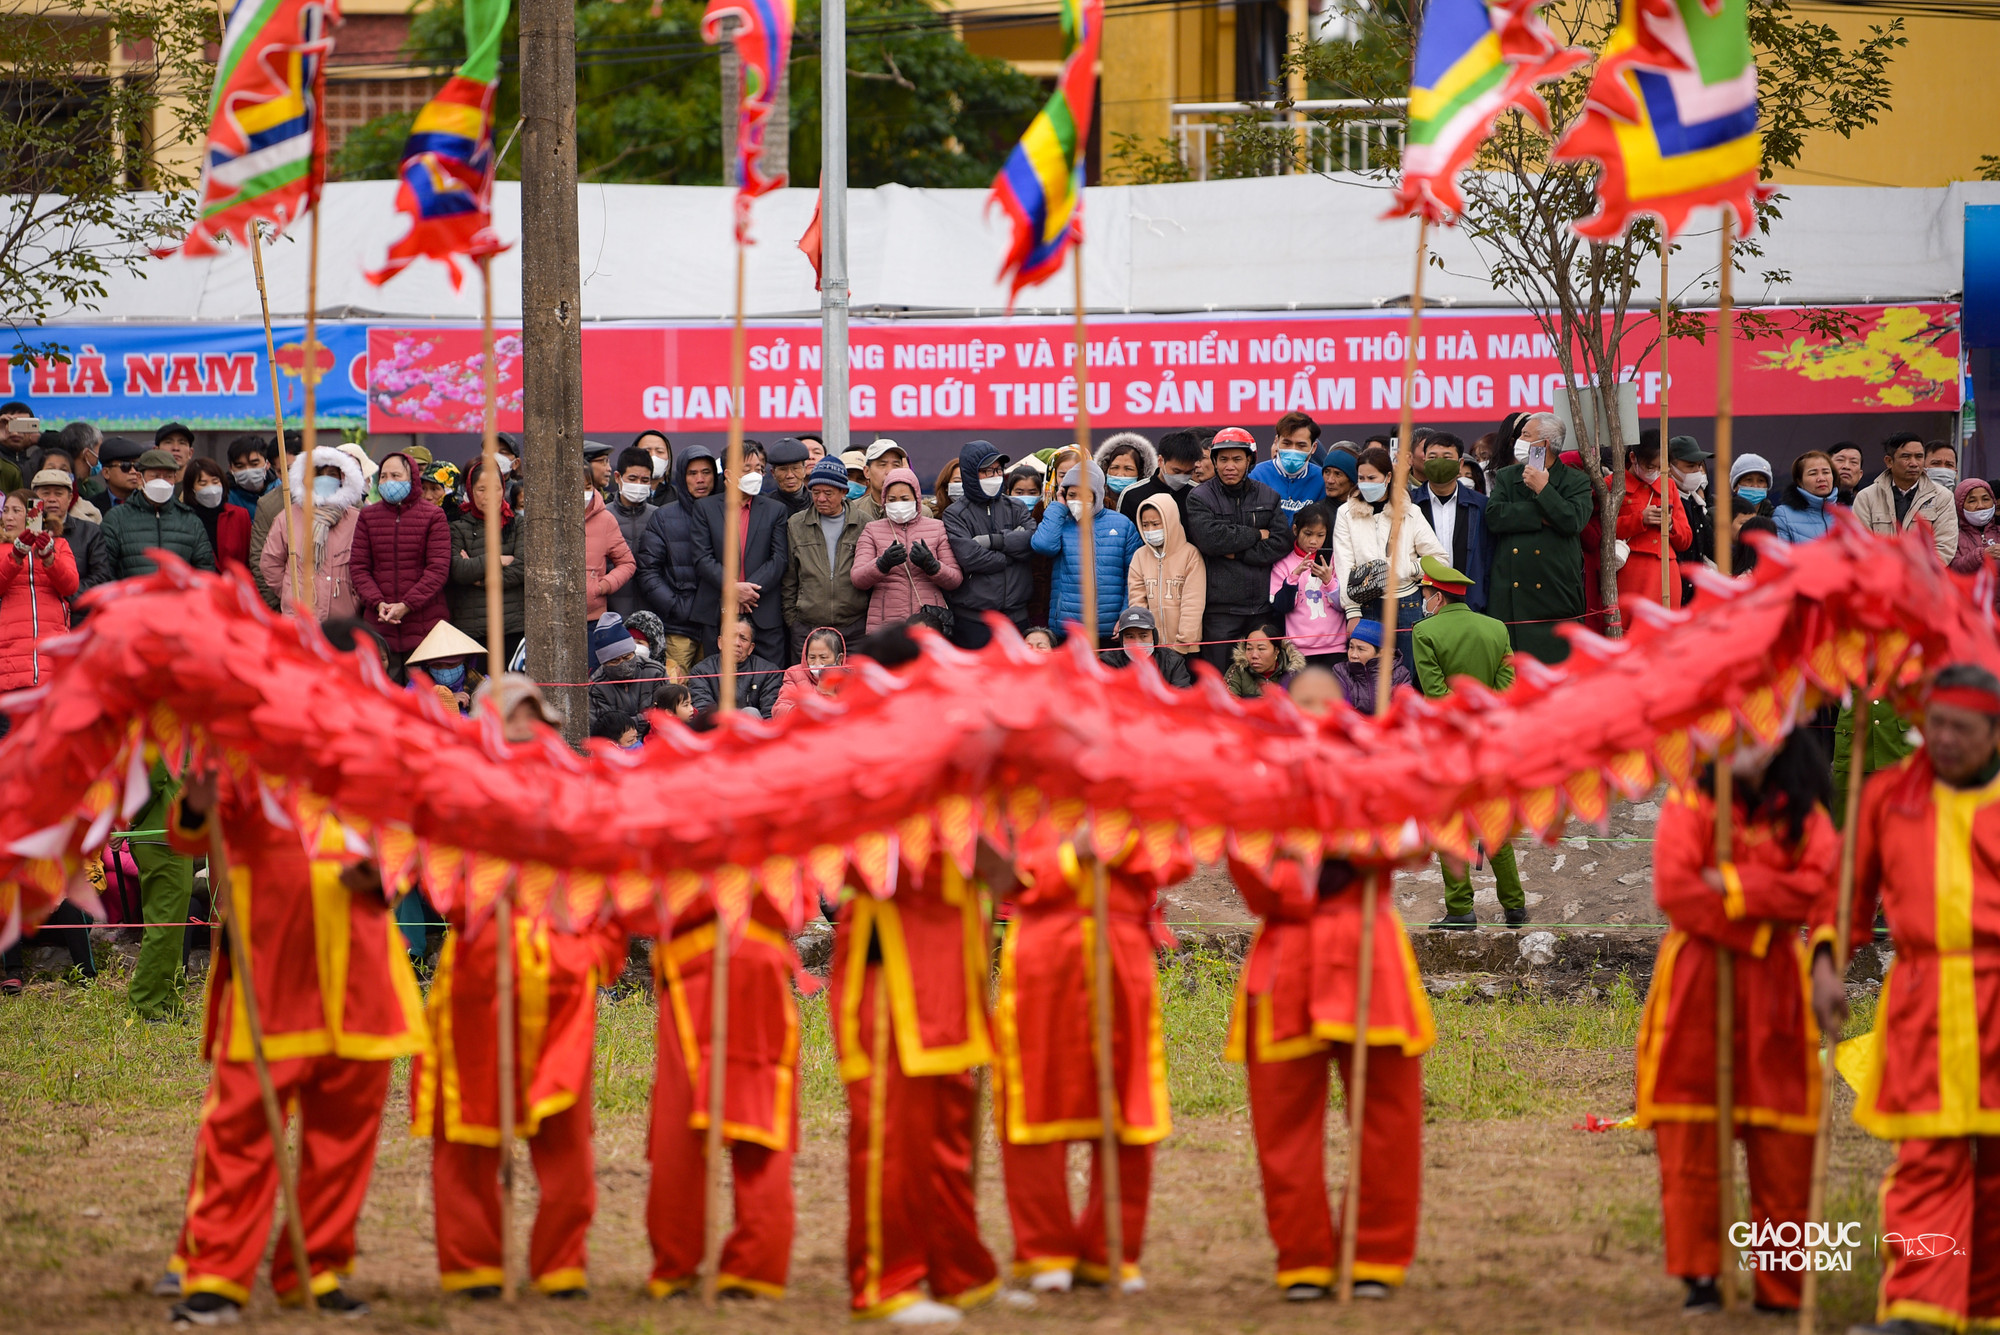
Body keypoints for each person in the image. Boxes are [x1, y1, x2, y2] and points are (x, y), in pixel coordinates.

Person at [161, 763, 427, 1324]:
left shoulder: (375, 760)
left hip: (361, 984)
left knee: (342, 1144)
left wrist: (381, 877)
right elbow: (186, 834)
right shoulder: (240, 759)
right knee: (240, 1130)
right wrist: (197, 803)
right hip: (271, 984)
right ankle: (215, 1275)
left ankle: (315, 1267)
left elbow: (406, 848)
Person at [1819, 665, 2000, 1335]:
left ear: (1993, 734)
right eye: (1937, 723)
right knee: (1928, 1159)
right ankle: (1921, 1309)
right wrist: (1826, 962)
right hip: (1924, 998)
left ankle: (1985, 1302)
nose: (1944, 739)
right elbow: (1847, 891)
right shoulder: (1889, 795)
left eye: (1962, 728)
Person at [1642, 729, 1837, 1316]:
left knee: (1782, 1136)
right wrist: (1769, 903)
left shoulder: (1806, 811)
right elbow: (1675, 889)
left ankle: (1781, 1285)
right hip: (1696, 981)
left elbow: (1819, 890)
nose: (1747, 742)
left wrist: (1726, 884)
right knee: (1691, 1128)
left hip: (1777, 986)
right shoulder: (1688, 800)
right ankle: (1701, 1272)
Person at [414, 853, 625, 1299]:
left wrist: (587, 951)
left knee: (564, 1131)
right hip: (479, 981)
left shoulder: (590, 817)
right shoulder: (465, 812)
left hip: (560, 988)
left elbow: (614, 911)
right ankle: (474, 1264)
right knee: (468, 1122)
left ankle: (561, 1265)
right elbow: (438, 889)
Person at [1224, 854, 1432, 1302]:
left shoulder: (1380, 790)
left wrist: (1372, 843)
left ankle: (1376, 1253)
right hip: (1287, 963)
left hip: (1370, 954)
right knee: (1283, 1120)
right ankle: (1303, 1257)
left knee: (1388, 1117)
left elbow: (1420, 847)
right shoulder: (1259, 800)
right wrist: (1299, 861)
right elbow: (1255, 888)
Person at [996, 832, 1184, 1296]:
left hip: (1122, 949)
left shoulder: (1142, 788)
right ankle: (1044, 1250)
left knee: (1129, 1096)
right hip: (1044, 950)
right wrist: (1068, 855)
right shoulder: (1019, 790)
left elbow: (1175, 859)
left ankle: (1112, 1248)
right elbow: (1001, 871)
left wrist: (1118, 843)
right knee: (1036, 1095)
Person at [829, 843, 1002, 1322]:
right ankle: (886, 1280)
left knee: (950, 1127)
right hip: (892, 967)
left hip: (953, 965)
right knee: (894, 1132)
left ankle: (959, 1271)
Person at [641, 874, 802, 1300]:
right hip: (761, 956)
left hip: (694, 962)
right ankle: (757, 1265)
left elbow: (637, 908)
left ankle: (677, 1264)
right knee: (763, 1107)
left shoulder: (663, 820)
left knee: (682, 1117)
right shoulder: (785, 820)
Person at [1408, 557, 1524, 929]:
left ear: (1438, 597)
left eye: (1425, 593)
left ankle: (1460, 908)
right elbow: (1506, 691)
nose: (1423, 599)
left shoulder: (1425, 632)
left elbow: (1437, 694)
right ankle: (1515, 907)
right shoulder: (1496, 628)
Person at [1485, 412, 1593, 665]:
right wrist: (1543, 515)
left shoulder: (1575, 480)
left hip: (1554, 593)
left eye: (1525, 435)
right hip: (1511, 592)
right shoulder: (1508, 476)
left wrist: (1544, 490)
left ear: (1543, 444)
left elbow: (1572, 521)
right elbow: (1494, 517)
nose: (1518, 441)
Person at [1187, 427, 1292, 668]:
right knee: (1220, 683)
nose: (1229, 466)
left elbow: (1280, 542)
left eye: (1237, 459)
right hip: (1220, 612)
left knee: (1263, 684)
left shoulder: (1268, 496)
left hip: (1263, 610)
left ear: (1249, 461)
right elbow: (1210, 540)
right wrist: (1256, 534)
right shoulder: (1199, 497)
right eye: (1223, 459)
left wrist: (1237, 551)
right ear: (1214, 461)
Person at [1332, 446, 1446, 669]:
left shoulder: (1410, 511)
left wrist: (1408, 568)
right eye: (1361, 478)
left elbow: (1440, 558)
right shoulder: (1345, 513)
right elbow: (1345, 564)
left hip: (1407, 603)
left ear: (1388, 477)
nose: (1366, 483)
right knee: (1369, 673)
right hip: (1367, 605)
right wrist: (1352, 611)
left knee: (1407, 671)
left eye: (1372, 477)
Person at [349, 452, 450, 676]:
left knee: (422, 699)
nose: (388, 481)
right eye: (383, 476)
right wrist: (378, 603)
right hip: (380, 627)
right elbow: (359, 567)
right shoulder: (368, 517)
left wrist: (406, 605)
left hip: (424, 627)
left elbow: (438, 568)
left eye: (396, 475)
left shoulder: (434, 516)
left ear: (412, 478)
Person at [691, 442, 789, 663]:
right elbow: (701, 557)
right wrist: (732, 587)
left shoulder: (775, 510)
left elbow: (779, 559)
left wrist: (748, 590)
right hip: (718, 610)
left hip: (763, 609)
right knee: (718, 683)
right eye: (746, 469)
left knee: (769, 681)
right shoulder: (705, 509)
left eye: (758, 469)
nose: (754, 474)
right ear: (728, 474)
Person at [1030, 460, 1140, 645]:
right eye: (1072, 494)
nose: (1077, 500)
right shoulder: (1060, 522)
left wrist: (1125, 614)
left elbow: (1134, 576)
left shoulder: (1122, 525)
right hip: (1067, 629)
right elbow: (1043, 545)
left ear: (1097, 494)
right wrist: (1059, 506)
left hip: (1108, 629)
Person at [938, 441, 1032, 650]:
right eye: (987, 471)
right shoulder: (955, 514)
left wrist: (993, 541)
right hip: (974, 623)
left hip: (1016, 619)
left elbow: (1031, 541)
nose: (994, 476)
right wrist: (1011, 556)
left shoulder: (1016, 506)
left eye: (998, 470)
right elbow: (970, 557)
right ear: (971, 474)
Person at [637, 441, 720, 671]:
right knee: (676, 693)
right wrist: (677, 606)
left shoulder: (727, 513)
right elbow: (647, 571)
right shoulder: (664, 517)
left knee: (712, 695)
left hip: (718, 626)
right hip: (679, 629)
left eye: (706, 472)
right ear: (682, 476)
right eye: (692, 473)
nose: (700, 479)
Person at [259, 447, 368, 622]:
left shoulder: (356, 519)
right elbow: (270, 563)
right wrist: (290, 591)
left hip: (342, 623)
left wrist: (353, 598)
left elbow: (366, 566)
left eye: (331, 473)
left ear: (342, 478)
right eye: (317, 473)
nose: (324, 478)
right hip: (298, 619)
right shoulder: (288, 517)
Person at [854, 467, 964, 634]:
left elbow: (955, 579)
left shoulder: (937, 527)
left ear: (917, 498)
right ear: (884, 500)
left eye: (904, 498)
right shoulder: (871, 530)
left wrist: (932, 566)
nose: (898, 503)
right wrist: (882, 564)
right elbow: (858, 578)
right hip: (886, 627)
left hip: (929, 624)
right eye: (892, 499)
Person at [783, 456, 872, 662]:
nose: (821, 498)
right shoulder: (796, 524)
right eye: (816, 492)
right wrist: (793, 621)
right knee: (809, 687)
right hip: (807, 627)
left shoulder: (864, 524)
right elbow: (789, 578)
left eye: (828, 493)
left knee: (854, 688)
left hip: (854, 626)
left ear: (844, 492)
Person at [0, 488, 79, 697]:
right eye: (5, 510)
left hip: (52, 661)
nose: (8, 516)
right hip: (9, 660)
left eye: (17, 510)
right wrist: (16, 556)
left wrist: (49, 557)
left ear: (34, 514)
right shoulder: (1, 547)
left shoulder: (59, 544)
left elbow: (70, 585)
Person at [445, 458, 525, 664]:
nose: (490, 495)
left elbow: (520, 569)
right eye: (481, 489)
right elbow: (458, 571)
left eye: (496, 488)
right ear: (470, 491)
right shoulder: (458, 527)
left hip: (512, 627)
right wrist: (497, 559)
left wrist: (479, 579)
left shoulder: (518, 524)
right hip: (472, 630)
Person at [100, 447, 215, 579]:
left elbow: (205, 571)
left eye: (168, 476)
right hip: (133, 598)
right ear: (139, 478)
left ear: (175, 479)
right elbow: (105, 570)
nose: (162, 481)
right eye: (155, 476)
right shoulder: (116, 519)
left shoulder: (190, 521)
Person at [1410, 434, 1492, 612]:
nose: (1439, 462)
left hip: (1470, 606)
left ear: (1460, 463)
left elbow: (1487, 558)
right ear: (1424, 461)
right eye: (1432, 457)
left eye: (1447, 457)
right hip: (1420, 605)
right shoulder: (1409, 505)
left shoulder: (1480, 505)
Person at [1614, 432, 1693, 610]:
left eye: (1661, 468)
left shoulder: (1668, 486)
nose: (1655, 473)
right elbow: (1600, 532)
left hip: (1667, 570)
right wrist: (1639, 520)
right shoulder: (1613, 484)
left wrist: (1671, 524)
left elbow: (1686, 539)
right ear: (1633, 458)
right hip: (1631, 570)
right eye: (1650, 467)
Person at [1852, 431, 1957, 564]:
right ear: (1889, 461)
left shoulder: (1942, 496)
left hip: (1921, 580)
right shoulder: (1866, 497)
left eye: (1919, 456)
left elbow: (1944, 548)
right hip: (1879, 579)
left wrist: (1913, 576)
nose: (1914, 463)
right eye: (1906, 457)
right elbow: (1859, 545)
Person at [1126, 496, 1205, 656]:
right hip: (1151, 648)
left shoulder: (1190, 554)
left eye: (1155, 524)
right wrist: (1143, 639)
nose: (1150, 530)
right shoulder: (1140, 556)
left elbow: (1193, 602)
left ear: (1170, 522)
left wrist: (1184, 640)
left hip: (1186, 648)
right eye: (1145, 525)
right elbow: (1137, 600)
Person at [1269, 502, 1344, 667]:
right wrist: (1293, 578)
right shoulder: (1283, 564)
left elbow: (1343, 605)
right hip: (1299, 650)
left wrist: (1329, 581)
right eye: (1308, 533)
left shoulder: (1334, 560)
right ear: (1295, 530)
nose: (1313, 541)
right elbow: (1281, 606)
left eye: (1320, 535)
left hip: (1335, 647)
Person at [32, 467, 110, 600]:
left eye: (58, 494)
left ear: (70, 498)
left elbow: (101, 577)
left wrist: (66, 595)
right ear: (33, 498)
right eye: (45, 493)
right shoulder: (24, 533)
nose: (52, 499)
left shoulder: (90, 531)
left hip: (75, 612)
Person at [687, 620, 786, 718]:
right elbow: (704, 713)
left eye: (743, 639)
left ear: (751, 648)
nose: (737, 643)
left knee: (750, 712)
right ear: (720, 642)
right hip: (717, 731)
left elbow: (770, 716)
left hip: (756, 731)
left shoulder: (768, 672)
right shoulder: (701, 672)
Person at [588, 610, 667, 728]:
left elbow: (664, 715)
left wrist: (627, 723)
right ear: (604, 663)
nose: (623, 664)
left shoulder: (655, 671)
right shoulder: (596, 686)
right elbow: (605, 727)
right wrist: (644, 718)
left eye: (627, 657)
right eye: (615, 661)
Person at [605, 448, 658, 622]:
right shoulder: (603, 517)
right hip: (611, 617)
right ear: (618, 477)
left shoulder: (659, 517)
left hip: (652, 617)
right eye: (632, 479)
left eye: (645, 480)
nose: (638, 485)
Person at [583, 474, 637, 627]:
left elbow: (627, 563)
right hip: (554, 615)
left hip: (593, 619)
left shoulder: (605, 519)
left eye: (587, 487)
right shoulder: (549, 520)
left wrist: (602, 586)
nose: (584, 493)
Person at [180, 458, 251, 571]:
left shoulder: (239, 515)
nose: (211, 488)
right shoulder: (183, 519)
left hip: (233, 585)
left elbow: (249, 558)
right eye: (203, 483)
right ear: (191, 489)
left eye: (215, 481)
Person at [1117, 428, 1200, 523]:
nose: (1182, 477)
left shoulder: (1198, 494)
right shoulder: (1132, 494)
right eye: (1176, 471)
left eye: (1188, 472)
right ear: (1160, 461)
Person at [1097, 605, 1193, 686]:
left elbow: (1183, 695)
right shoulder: (1107, 662)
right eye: (1130, 636)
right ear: (1122, 639)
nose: (1137, 643)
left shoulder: (1172, 661)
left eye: (1143, 636)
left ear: (1154, 636)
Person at [1250, 412, 1325, 516]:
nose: (1293, 450)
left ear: (1314, 448)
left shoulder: (1323, 480)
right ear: (1276, 441)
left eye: (1301, 445)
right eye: (1287, 443)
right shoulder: (1255, 476)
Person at [1328, 619, 1408, 715]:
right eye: (1351, 647)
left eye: (1361, 649)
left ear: (1381, 652)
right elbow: (1339, 709)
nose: (1353, 654)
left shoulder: (1399, 674)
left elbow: (1404, 710)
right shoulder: (1341, 672)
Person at [772, 626, 847, 716]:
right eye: (812, 657)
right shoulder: (793, 673)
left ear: (839, 659)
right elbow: (779, 710)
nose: (817, 663)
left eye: (823, 657)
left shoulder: (851, 675)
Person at [1771, 450, 1839, 545]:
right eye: (1813, 473)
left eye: (1826, 472)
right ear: (1800, 482)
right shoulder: (1784, 515)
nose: (1821, 478)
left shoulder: (1847, 512)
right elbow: (1780, 556)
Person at [1225, 623, 1306, 699]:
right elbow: (1228, 703)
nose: (1254, 655)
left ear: (1276, 651)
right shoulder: (1237, 671)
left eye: (1261, 649)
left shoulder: (1294, 674)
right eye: (1249, 649)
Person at [1095, 432, 1157, 513]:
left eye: (1128, 469)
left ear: (1140, 473)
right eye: (1115, 467)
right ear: (1105, 469)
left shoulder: (1150, 504)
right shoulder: (1094, 504)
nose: (1120, 474)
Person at [1951, 477, 2000, 574]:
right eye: (1972, 501)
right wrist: (1982, 555)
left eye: (1986, 499)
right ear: (1960, 506)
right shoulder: (1953, 536)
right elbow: (1954, 568)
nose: (1980, 506)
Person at [224, 435, 276, 515]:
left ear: (267, 464)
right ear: (231, 469)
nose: (248, 470)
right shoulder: (224, 496)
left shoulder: (281, 490)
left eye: (254, 464)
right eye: (240, 466)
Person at [97, 434, 145, 509]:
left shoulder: (149, 504)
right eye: (125, 466)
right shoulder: (92, 507)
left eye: (136, 465)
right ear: (106, 473)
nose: (133, 471)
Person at [861, 439, 907, 513]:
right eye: (882, 465)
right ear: (867, 471)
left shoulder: (918, 512)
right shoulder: (854, 511)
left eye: (896, 465)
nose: (889, 472)